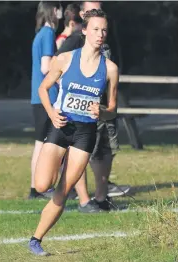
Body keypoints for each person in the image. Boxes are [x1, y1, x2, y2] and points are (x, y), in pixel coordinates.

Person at [28, 9, 119, 256]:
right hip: (61, 126)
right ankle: (54, 167)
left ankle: (36, 240)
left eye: (104, 30)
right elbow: (43, 89)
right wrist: (51, 113)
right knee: (41, 183)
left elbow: (112, 109)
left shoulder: (110, 68)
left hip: (84, 134)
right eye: (96, 29)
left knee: (63, 191)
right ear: (85, 31)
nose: (100, 34)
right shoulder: (65, 59)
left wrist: (101, 111)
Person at [56, 1, 130, 213]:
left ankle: (100, 197)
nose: (100, 32)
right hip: (78, 114)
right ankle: (84, 200)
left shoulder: (104, 37)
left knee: (105, 152)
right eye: (91, 9)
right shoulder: (74, 41)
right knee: (78, 154)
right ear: (82, 15)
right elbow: (56, 66)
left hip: (104, 108)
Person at [28, 1, 63, 199]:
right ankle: (39, 188)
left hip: (37, 97)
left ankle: (36, 188)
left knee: (40, 142)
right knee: (44, 144)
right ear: (52, 10)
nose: (61, 12)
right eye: (58, 8)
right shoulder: (48, 33)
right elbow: (45, 67)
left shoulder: (40, 33)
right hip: (46, 97)